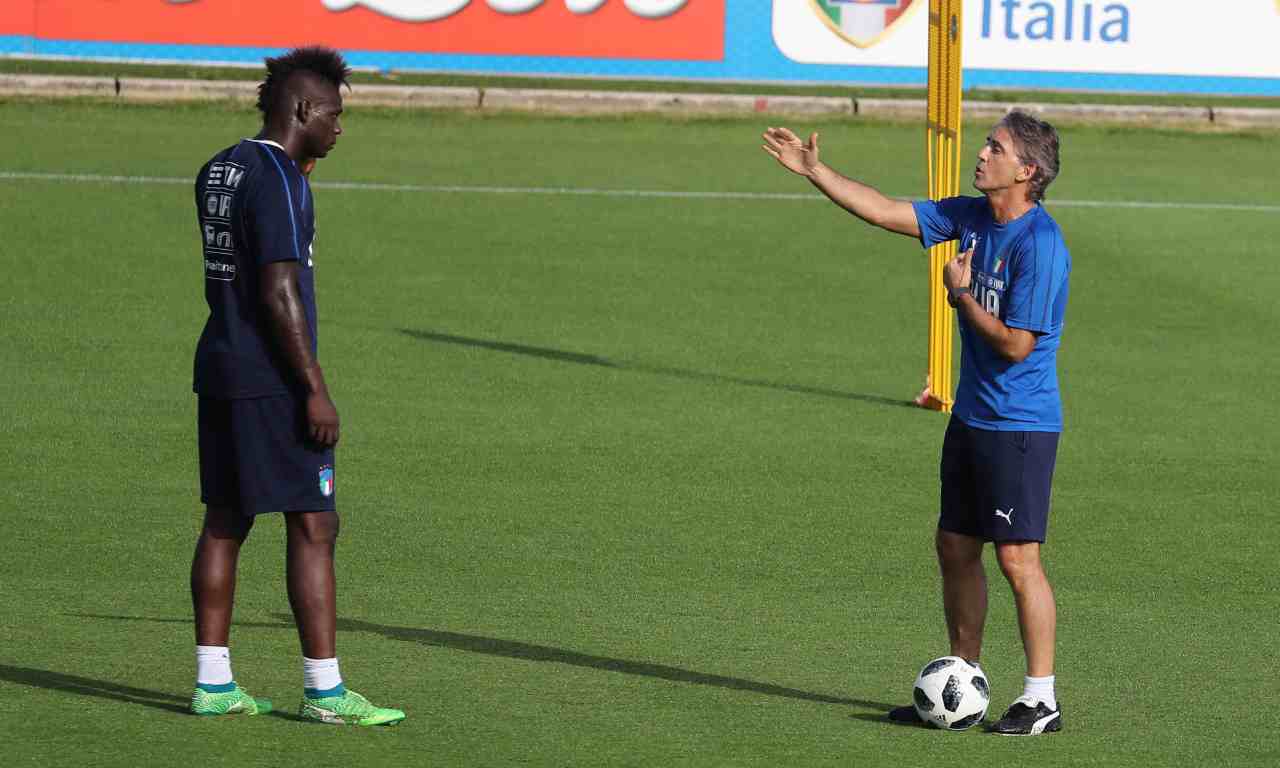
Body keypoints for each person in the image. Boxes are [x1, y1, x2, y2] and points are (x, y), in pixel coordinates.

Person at [762, 111, 1070, 736]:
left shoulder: (1041, 246)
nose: (981, 153)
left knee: (1018, 560)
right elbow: (882, 211)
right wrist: (816, 171)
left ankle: (1042, 698)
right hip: (973, 420)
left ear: (1027, 171)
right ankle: (965, 682)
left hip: (1020, 427)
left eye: (995, 147)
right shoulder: (972, 216)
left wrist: (961, 295)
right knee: (955, 545)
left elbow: (1017, 346)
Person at [189, 46, 404, 727]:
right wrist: (313, 387)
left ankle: (214, 683)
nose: (341, 128)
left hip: (220, 364)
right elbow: (280, 291)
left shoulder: (220, 166)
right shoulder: (280, 178)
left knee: (225, 520)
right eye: (335, 115)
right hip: (272, 378)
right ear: (304, 111)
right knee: (315, 523)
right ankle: (325, 692)